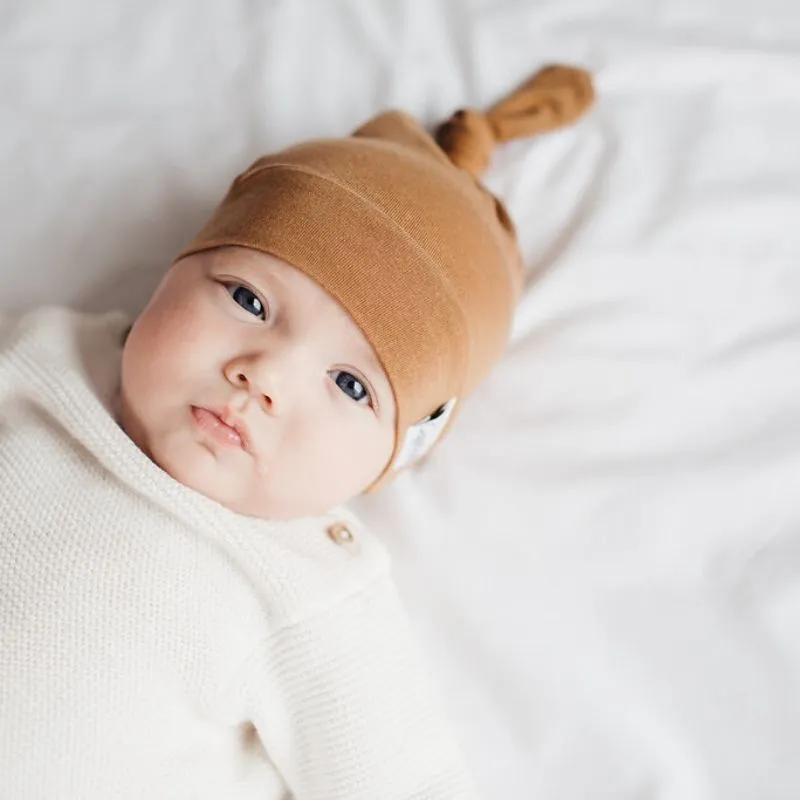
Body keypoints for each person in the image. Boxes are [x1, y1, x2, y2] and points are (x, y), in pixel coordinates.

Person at [0, 64, 594, 798]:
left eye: (351, 386)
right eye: (248, 299)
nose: (265, 375)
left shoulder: (306, 595)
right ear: (175, 271)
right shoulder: (38, 353)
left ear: (392, 460)